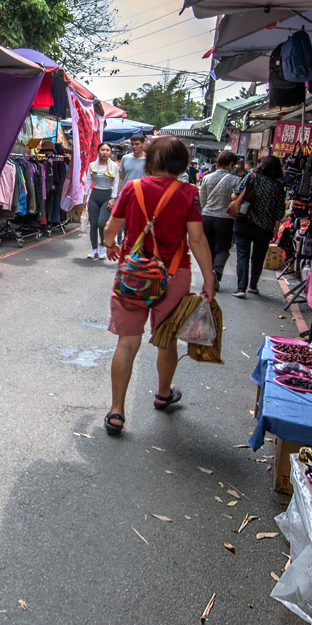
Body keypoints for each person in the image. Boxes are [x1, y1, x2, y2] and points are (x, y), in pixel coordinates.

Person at [100, 135, 215, 436]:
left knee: (127, 342)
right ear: (182, 164)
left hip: (133, 276)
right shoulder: (189, 193)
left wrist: (110, 245)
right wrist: (210, 278)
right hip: (174, 274)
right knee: (166, 339)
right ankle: (163, 394)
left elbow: (110, 230)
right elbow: (197, 239)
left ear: (149, 160)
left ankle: (116, 411)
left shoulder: (132, 187)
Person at [228, 155, 286, 298]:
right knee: (258, 258)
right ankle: (253, 285)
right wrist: (276, 231)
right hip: (265, 227)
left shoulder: (252, 177)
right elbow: (279, 213)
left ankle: (241, 288)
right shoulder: (278, 186)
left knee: (242, 255)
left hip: (244, 221)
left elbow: (234, 196)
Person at [197, 150, 239, 284]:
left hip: (207, 217)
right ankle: (217, 272)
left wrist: (204, 213)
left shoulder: (207, 178)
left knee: (209, 248)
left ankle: (209, 277)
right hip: (225, 219)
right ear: (231, 164)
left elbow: (202, 200)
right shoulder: (235, 180)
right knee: (222, 249)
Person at [85, 142, 118, 259]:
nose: (104, 152)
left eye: (107, 150)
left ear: (110, 152)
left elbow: (116, 183)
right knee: (93, 224)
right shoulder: (92, 165)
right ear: (98, 151)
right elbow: (89, 180)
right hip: (94, 195)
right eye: (102, 150)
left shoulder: (114, 166)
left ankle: (103, 248)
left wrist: (113, 198)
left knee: (102, 223)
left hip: (107, 196)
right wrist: (85, 196)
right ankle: (94, 250)